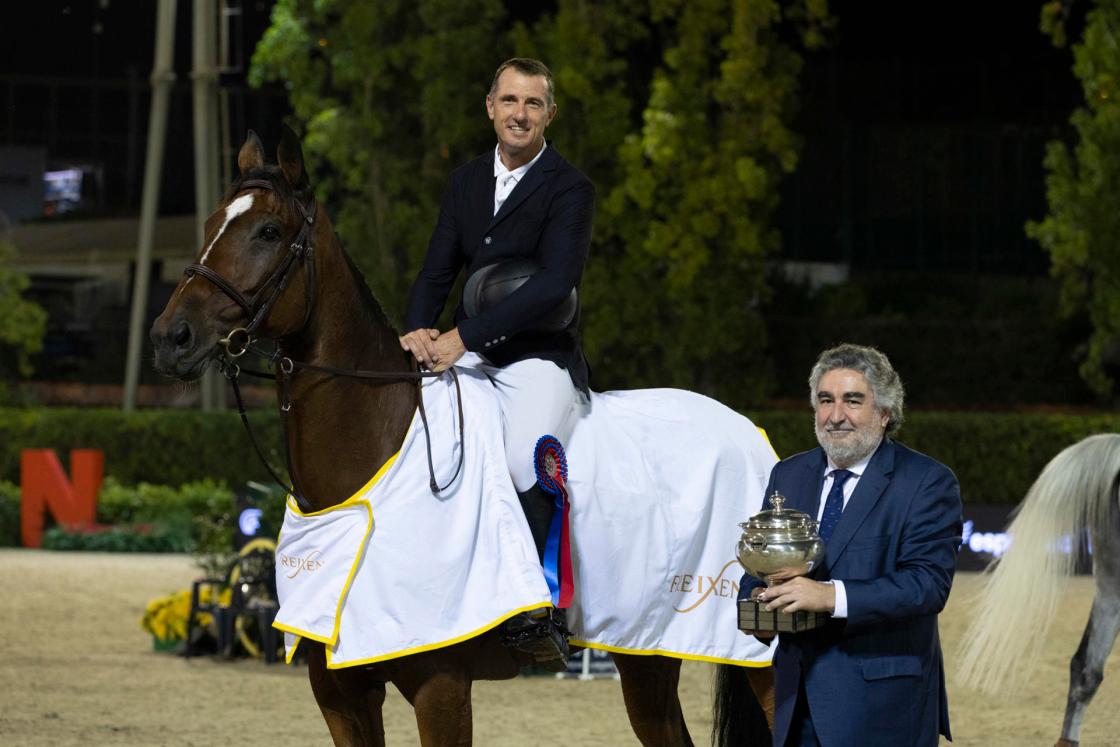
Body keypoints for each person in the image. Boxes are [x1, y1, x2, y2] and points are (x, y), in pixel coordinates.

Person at [399, 57, 595, 671]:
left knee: (518, 458)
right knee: (415, 444)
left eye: (533, 104)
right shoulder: (463, 181)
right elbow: (437, 267)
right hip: (468, 351)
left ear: (549, 114)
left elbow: (554, 286)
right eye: (510, 101)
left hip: (539, 356)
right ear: (490, 107)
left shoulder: (570, 188)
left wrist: (463, 337)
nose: (520, 114)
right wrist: (415, 328)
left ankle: (537, 613)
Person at [739, 343, 962, 746]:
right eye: (825, 400)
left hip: (884, 707)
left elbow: (927, 585)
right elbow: (759, 561)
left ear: (885, 412)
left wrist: (829, 596)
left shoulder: (926, 481)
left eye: (852, 401)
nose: (835, 415)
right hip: (793, 700)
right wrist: (757, 599)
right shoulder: (788, 475)